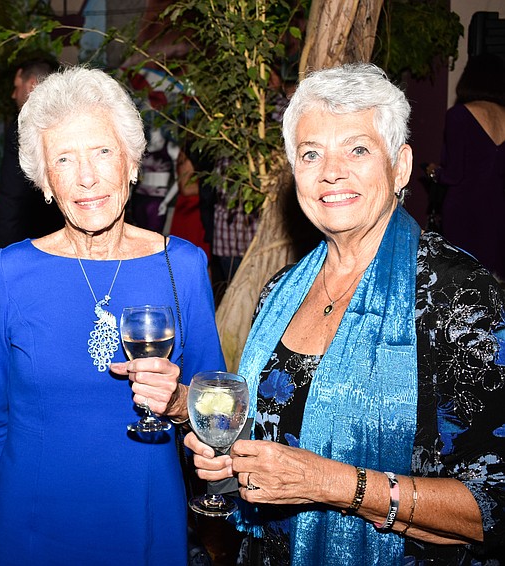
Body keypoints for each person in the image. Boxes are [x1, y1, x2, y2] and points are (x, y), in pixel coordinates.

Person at [184, 63, 505, 565]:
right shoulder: (280, 292)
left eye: (357, 149)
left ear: (400, 167)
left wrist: (330, 484)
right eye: (311, 153)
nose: (331, 171)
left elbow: (493, 506)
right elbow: (272, 437)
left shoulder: (459, 296)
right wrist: (230, 461)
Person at [0, 66, 225, 564]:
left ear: (131, 161)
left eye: (102, 151)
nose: (86, 177)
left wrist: (176, 402)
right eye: (64, 159)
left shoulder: (183, 266)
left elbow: (216, 406)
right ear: (45, 181)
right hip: (27, 525)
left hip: (146, 518)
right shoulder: (8, 273)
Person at [427, 53, 505, 279]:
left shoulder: (459, 115)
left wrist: (434, 172)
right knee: (494, 282)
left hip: (465, 211)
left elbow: (454, 175)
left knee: (461, 279)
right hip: (498, 211)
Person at [0, 58, 64, 249]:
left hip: (29, 241)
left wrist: (5, 249)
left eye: (16, 87)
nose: (13, 95)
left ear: (32, 85)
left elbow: (12, 195)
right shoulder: (66, 123)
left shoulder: (24, 128)